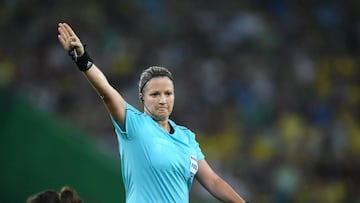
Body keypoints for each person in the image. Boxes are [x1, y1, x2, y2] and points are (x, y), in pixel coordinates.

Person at [57, 22, 248, 203]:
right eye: (155, 94)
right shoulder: (133, 124)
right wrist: (82, 59)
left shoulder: (186, 137)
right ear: (142, 97)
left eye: (168, 93)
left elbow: (213, 181)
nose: (163, 100)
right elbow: (106, 92)